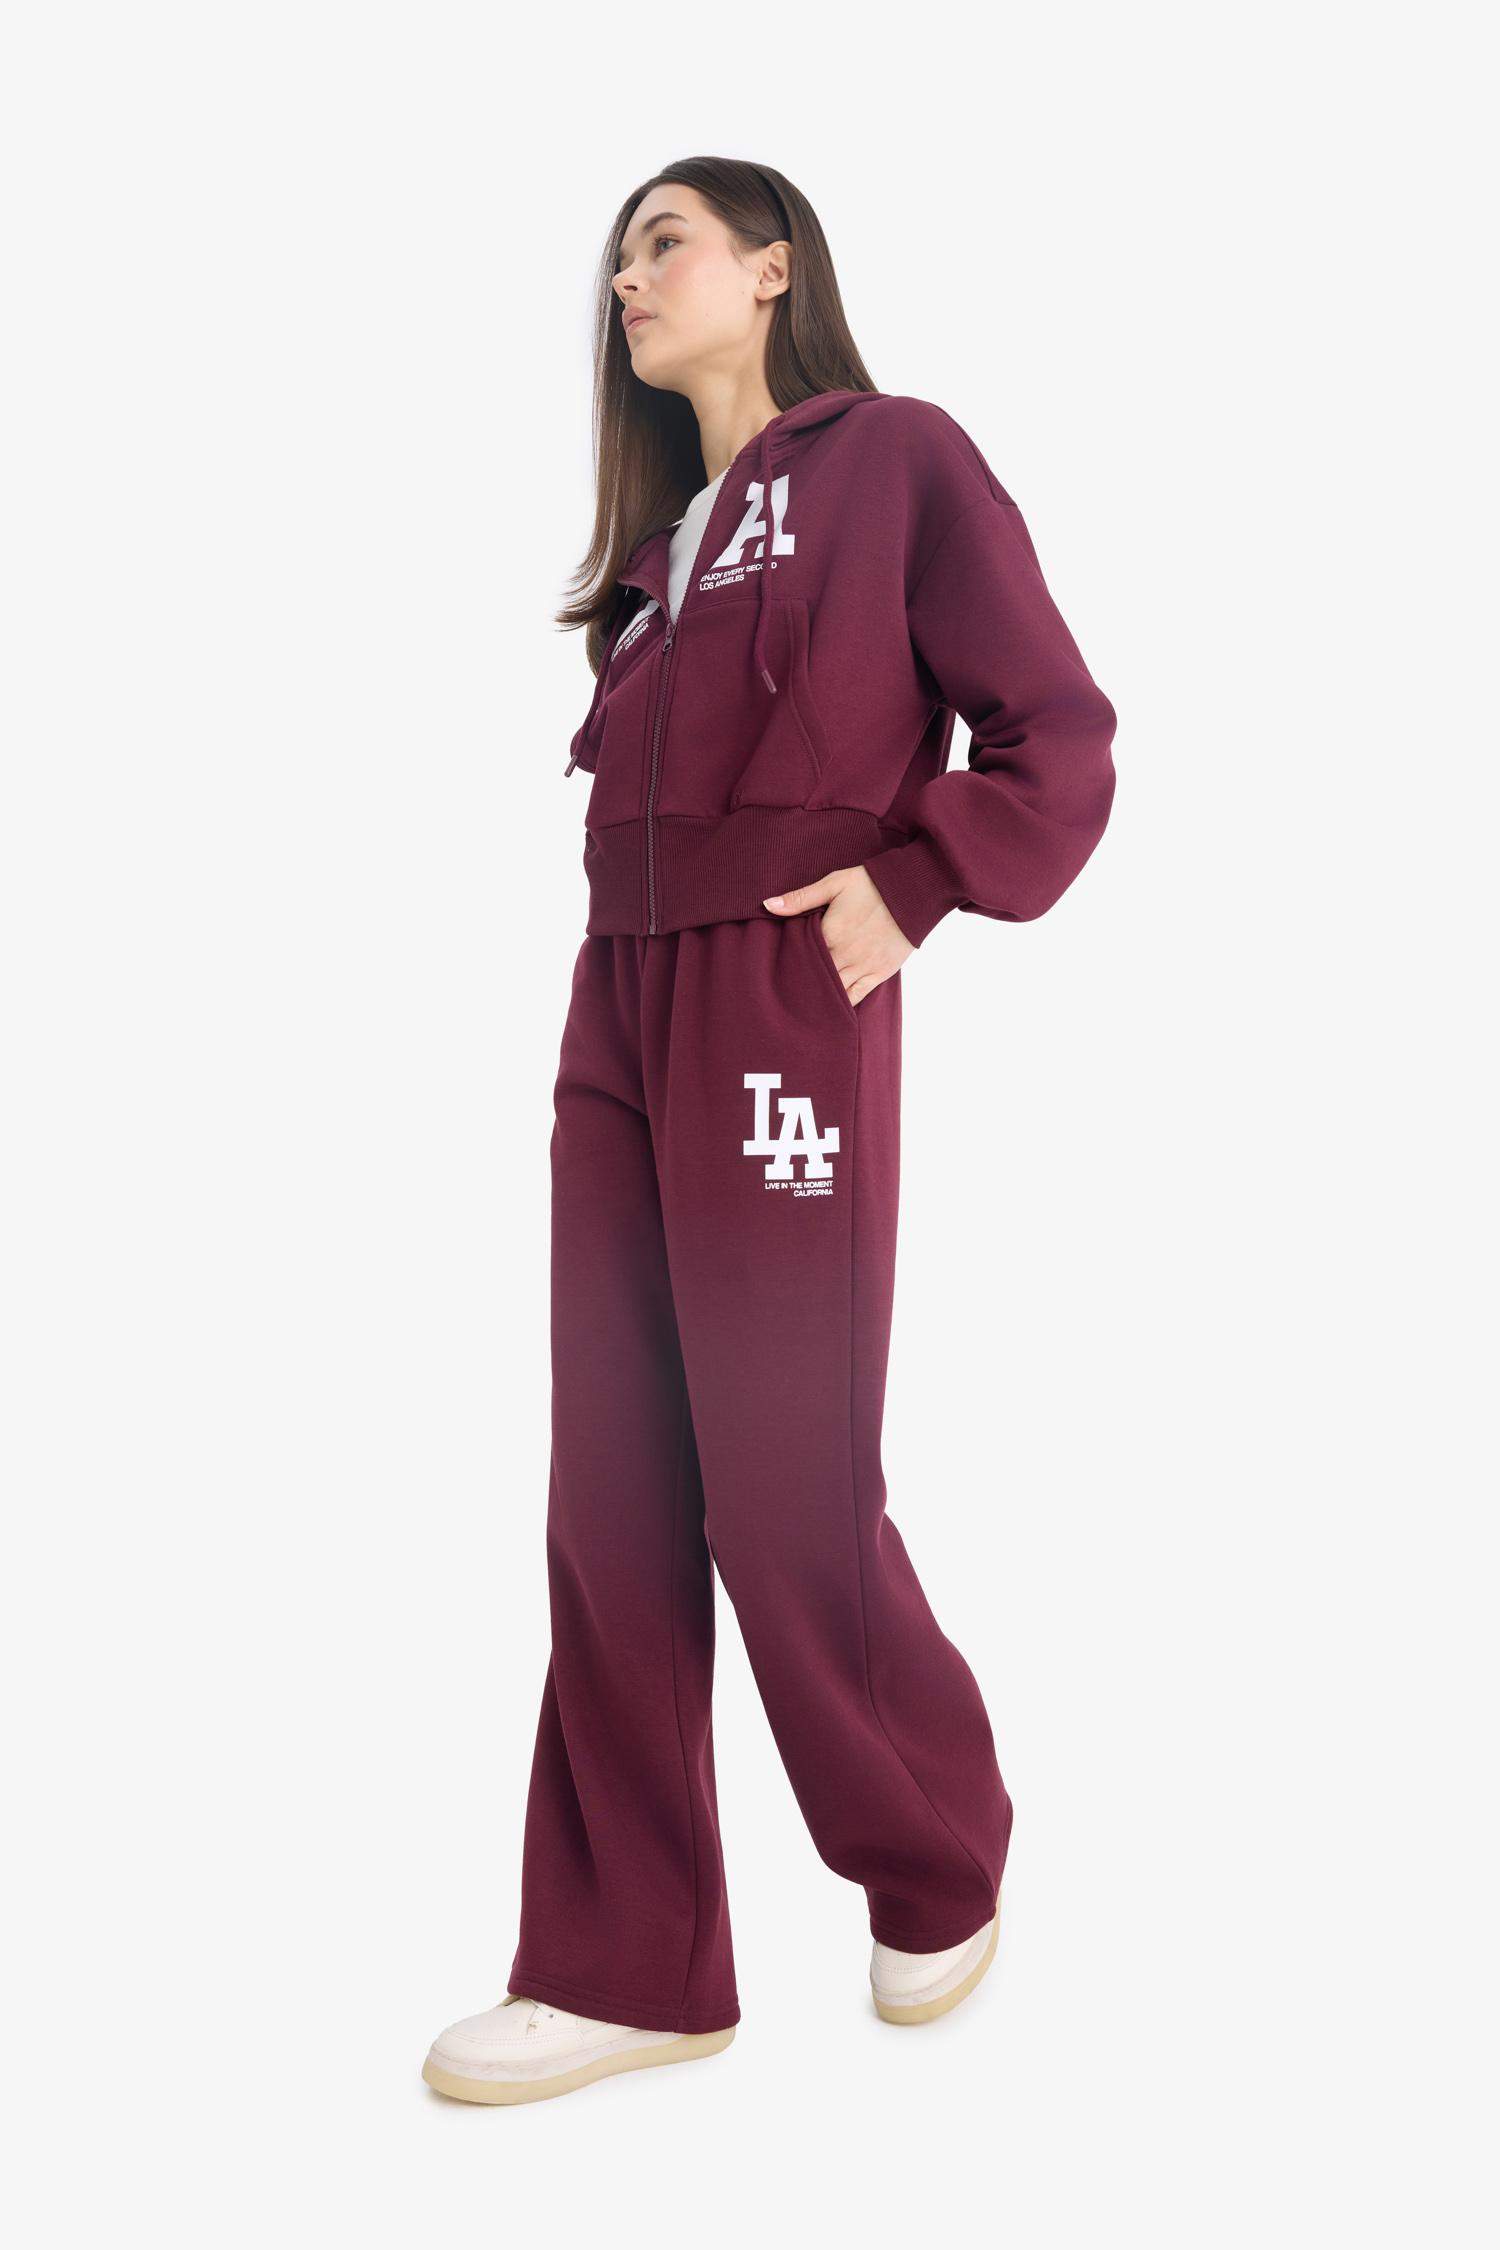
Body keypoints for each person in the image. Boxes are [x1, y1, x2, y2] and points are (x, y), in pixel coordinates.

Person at [422, 157, 1117, 2107]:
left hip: (777, 997)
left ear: (774, 265)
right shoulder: (660, 563)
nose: (628, 278)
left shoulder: (892, 461)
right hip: (617, 1008)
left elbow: (1056, 728)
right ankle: (629, 1962)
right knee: (612, 1494)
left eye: (665, 240)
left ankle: (933, 1841)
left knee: (782, 1478)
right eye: (617, 256)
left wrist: (926, 876)